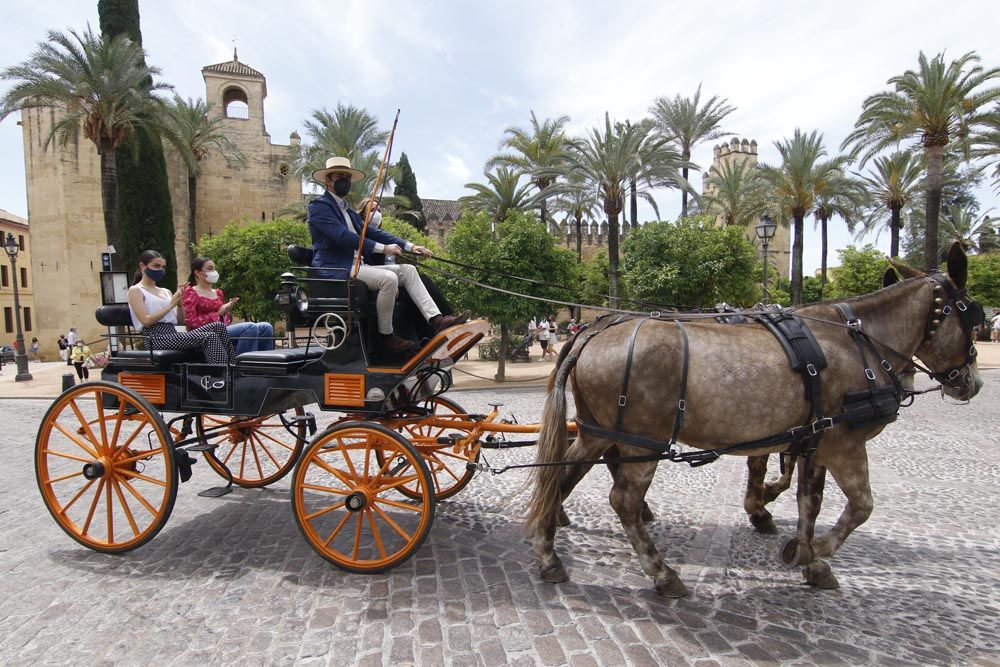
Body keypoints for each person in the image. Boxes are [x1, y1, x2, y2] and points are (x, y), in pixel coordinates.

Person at [307, 156, 468, 352]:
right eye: (340, 176)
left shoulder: (348, 212)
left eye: (348, 177)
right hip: (338, 267)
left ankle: (436, 320)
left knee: (408, 270)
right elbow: (342, 236)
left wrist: (410, 246)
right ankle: (386, 336)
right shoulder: (319, 207)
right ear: (328, 180)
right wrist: (384, 249)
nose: (346, 181)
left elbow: (373, 232)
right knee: (388, 279)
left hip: (358, 266)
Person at [127, 249, 234, 364]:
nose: (160, 270)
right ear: (143, 266)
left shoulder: (165, 291)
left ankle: (233, 367)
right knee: (209, 337)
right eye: (156, 266)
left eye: (163, 267)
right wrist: (171, 304)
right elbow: (146, 321)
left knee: (218, 326)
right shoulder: (136, 290)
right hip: (155, 338)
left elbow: (180, 321)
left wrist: (179, 304)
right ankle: (223, 373)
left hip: (172, 333)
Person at [183, 257, 275, 356]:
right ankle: (243, 366)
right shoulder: (191, 292)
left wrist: (227, 311)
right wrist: (218, 314)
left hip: (222, 330)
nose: (214, 272)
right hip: (203, 333)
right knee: (250, 327)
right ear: (198, 273)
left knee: (266, 327)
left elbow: (225, 322)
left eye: (214, 268)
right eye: (210, 269)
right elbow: (190, 324)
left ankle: (264, 364)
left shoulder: (218, 292)